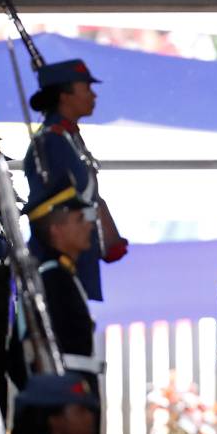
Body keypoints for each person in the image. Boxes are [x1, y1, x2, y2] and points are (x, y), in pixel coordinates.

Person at [23, 59, 127, 302]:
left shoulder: (68, 137)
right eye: (86, 88)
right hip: (60, 258)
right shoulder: (50, 143)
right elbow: (56, 212)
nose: (93, 95)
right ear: (64, 95)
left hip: (79, 253)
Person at [22, 176, 105, 434]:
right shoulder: (52, 280)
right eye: (80, 218)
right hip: (65, 408)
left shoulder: (63, 275)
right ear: (57, 230)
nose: (89, 225)